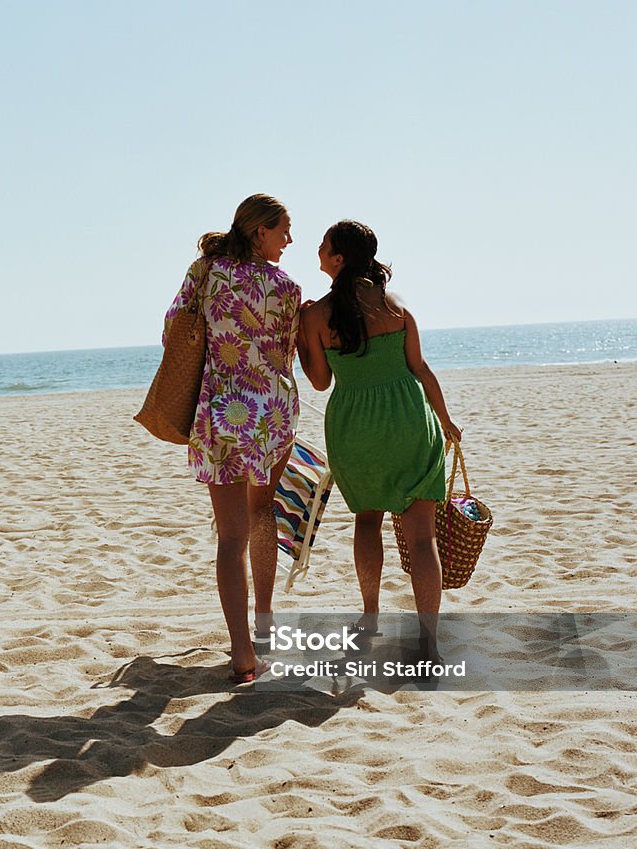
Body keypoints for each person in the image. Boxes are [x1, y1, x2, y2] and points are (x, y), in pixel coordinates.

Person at [297, 220, 461, 654]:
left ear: (337, 259)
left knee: (367, 520)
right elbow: (420, 369)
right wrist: (445, 420)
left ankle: (370, 617)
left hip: (355, 428)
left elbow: (318, 380)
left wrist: (300, 333)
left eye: (323, 244)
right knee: (421, 536)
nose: (317, 248)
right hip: (408, 420)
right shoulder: (396, 304)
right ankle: (428, 640)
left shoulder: (315, 315)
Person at [162, 194, 302, 683]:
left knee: (231, 536)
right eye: (284, 228)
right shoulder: (286, 287)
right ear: (259, 231)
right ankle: (265, 619)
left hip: (222, 411)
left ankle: (243, 653)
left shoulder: (207, 270)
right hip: (273, 414)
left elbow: (172, 332)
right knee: (262, 511)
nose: (290, 238)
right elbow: (287, 355)